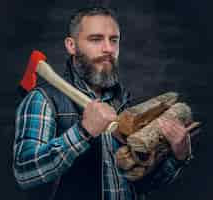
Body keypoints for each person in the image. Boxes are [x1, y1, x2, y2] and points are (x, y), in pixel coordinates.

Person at [13, 6, 193, 200]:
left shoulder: (122, 104)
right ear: (71, 45)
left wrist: (178, 156)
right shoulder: (44, 100)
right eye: (96, 39)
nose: (108, 49)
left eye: (113, 40)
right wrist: (83, 132)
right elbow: (25, 172)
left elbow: (139, 185)